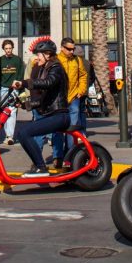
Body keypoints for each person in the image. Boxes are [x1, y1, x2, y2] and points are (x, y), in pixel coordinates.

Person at [11, 39, 69, 177]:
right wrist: (26, 105)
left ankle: (41, 167)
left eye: (39, 55)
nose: (37, 58)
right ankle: (38, 166)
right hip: (53, 114)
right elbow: (45, 100)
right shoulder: (46, 68)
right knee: (22, 133)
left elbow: (48, 83)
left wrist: (24, 83)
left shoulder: (56, 68)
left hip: (59, 116)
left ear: (47, 54)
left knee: (24, 133)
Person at [51, 37, 87, 170]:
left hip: (73, 98)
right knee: (58, 129)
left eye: (73, 49)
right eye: (69, 49)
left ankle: (71, 156)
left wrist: (81, 90)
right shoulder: (55, 60)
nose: (72, 51)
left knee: (72, 129)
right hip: (58, 101)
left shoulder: (77, 60)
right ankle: (58, 156)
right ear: (62, 48)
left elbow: (83, 75)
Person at [0, 39, 23, 145]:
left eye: (10, 48)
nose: (8, 50)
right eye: (6, 49)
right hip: (4, 88)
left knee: (13, 110)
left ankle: (10, 136)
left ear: (12, 48)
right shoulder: (0, 60)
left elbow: (21, 73)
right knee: (5, 111)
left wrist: (18, 84)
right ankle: (7, 134)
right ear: (4, 49)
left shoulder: (17, 60)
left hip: (14, 88)